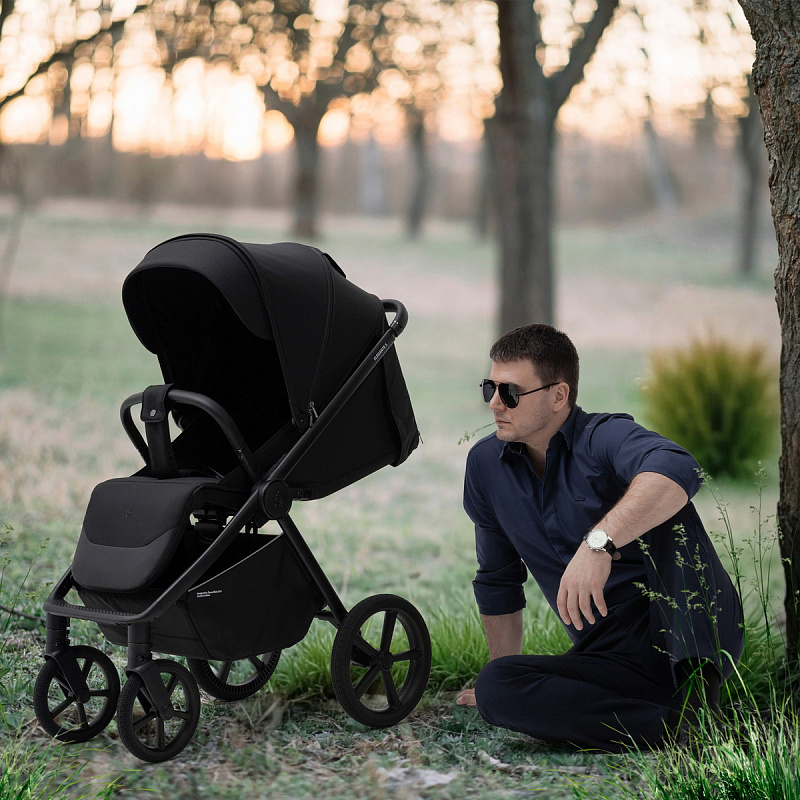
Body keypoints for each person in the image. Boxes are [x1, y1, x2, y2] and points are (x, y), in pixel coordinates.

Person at [456, 324, 744, 752]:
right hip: (608, 654)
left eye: (511, 392)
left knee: (667, 501)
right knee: (496, 685)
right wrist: (509, 678)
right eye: (490, 388)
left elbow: (679, 466)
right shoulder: (485, 466)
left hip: (685, 626)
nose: (495, 403)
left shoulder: (602, 437)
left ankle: (700, 697)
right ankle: (680, 728)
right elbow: (498, 579)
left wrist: (598, 544)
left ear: (558, 395)